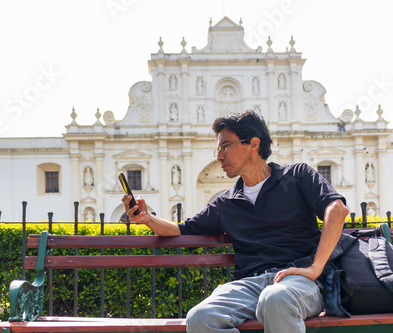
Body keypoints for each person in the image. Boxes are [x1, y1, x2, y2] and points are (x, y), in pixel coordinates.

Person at [122, 110, 348, 333]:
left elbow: (337, 209)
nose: (219, 156)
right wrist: (147, 218)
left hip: (299, 281)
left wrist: (314, 269)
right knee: (200, 318)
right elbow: (182, 230)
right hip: (249, 286)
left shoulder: (298, 175)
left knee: (275, 298)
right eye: (218, 148)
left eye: (225, 146)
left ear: (253, 144)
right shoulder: (225, 203)